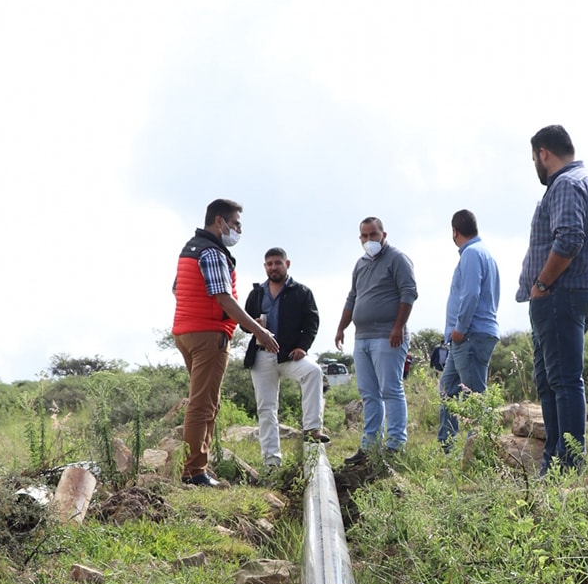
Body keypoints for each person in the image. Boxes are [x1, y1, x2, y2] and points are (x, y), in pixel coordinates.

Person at [515, 126, 588, 471]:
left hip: (560, 293)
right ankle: (554, 463)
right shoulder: (583, 181)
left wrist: (542, 283)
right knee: (553, 382)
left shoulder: (567, 184)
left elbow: (569, 239)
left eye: (534, 159)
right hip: (568, 293)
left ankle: (568, 466)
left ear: (543, 153)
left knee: (564, 381)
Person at [171, 199, 278, 486]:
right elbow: (223, 298)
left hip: (186, 331)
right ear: (220, 222)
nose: (238, 230)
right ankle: (194, 472)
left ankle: (198, 465)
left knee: (204, 401)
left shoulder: (190, 248)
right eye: (236, 224)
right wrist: (258, 330)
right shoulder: (213, 252)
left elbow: (176, 288)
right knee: (203, 403)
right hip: (208, 334)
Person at [334, 216, 418, 452]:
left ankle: (395, 444)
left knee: (390, 389)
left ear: (383, 235)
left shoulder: (397, 259)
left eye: (373, 234)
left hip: (388, 335)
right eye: (365, 235)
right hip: (362, 337)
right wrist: (341, 327)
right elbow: (353, 297)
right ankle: (369, 446)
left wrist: (398, 326)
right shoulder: (360, 263)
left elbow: (409, 292)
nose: (369, 239)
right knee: (369, 393)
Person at [243, 247, 327, 466]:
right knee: (266, 408)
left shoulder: (301, 291)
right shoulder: (257, 293)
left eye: (277, 263)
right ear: (265, 267)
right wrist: (255, 327)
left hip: (289, 354)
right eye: (269, 264)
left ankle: (311, 428)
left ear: (287, 264)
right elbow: (244, 323)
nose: (273, 267)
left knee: (314, 372)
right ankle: (271, 462)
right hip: (262, 355)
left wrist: (303, 346)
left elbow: (312, 322)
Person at [437, 209, 500, 445]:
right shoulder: (484, 254)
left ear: (455, 232)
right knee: (447, 391)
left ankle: (480, 453)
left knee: (474, 398)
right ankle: (447, 449)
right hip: (466, 337)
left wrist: (459, 329)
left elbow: (472, 295)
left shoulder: (472, 254)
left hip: (469, 336)